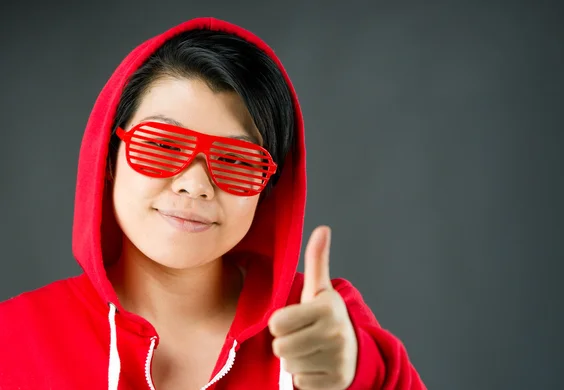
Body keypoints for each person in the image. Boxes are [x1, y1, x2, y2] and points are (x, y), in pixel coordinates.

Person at [0, 17, 426, 390]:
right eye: (163, 145)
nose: (195, 184)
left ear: (268, 190)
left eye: (238, 161)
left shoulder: (323, 324)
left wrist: (360, 374)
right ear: (108, 158)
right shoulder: (14, 337)